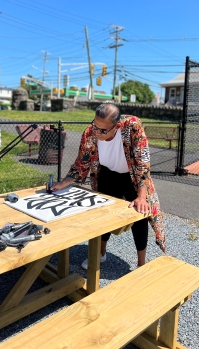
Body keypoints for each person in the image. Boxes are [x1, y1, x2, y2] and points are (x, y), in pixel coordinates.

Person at [47, 103, 165, 269]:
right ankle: (100, 253)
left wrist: (141, 196)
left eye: (103, 130)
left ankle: (141, 264)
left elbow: (142, 162)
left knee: (140, 215)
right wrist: (63, 183)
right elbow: (82, 162)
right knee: (103, 214)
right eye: (96, 126)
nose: (98, 132)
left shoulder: (132, 126)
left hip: (131, 177)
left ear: (116, 126)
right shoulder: (90, 132)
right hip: (106, 174)